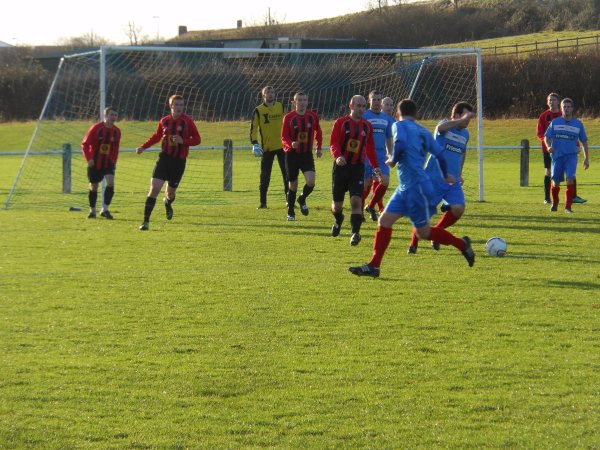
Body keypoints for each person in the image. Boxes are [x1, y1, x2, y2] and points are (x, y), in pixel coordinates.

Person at [349, 99, 475, 278]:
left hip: (415, 187)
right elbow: (439, 154)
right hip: (408, 186)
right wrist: (447, 173)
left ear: (398, 114)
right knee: (385, 221)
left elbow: (399, 144)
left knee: (423, 232)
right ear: (416, 115)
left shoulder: (398, 126)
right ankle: (374, 265)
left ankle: (462, 245)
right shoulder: (424, 132)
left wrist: (393, 159)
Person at [408, 102, 475, 253]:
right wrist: (460, 120)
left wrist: (459, 173)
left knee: (458, 208)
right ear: (456, 115)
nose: (467, 121)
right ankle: (413, 244)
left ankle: (436, 233)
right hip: (433, 178)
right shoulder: (444, 125)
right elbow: (440, 128)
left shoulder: (466, 134)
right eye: (465, 117)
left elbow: (462, 153)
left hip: (452, 181)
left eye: (469, 118)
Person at [136, 95, 201, 230]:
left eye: (181, 105)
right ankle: (145, 222)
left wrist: (183, 141)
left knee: (170, 193)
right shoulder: (164, 121)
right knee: (154, 188)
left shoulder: (187, 122)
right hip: (164, 159)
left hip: (178, 162)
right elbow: (157, 136)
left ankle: (167, 202)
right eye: (176, 105)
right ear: (171, 106)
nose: (179, 108)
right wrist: (143, 147)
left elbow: (197, 139)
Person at [330, 95, 380, 246]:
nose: (361, 109)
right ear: (350, 106)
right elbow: (334, 143)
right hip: (341, 168)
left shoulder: (367, 126)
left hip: (357, 168)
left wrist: (375, 166)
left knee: (356, 201)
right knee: (337, 206)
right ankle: (338, 219)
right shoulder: (341, 123)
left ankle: (355, 233)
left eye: (363, 106)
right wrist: (338, 156)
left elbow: (370, 148)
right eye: (358, 106)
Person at [537, 93, 586, 204]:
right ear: (547, 102)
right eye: (550, 100)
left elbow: (571, 133)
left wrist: (576, 146)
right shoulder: (544, 116)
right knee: (549, 172)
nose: (551, 102)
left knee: (570, 172)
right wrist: (549, 145)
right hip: (549, 150)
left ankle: (573, 197)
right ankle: (547, 198)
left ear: (558, 103)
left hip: (566, 151)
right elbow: (541, 134)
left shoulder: (563, 114)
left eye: (554, 100)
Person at [281, 92, 323, 221]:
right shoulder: (289, 117)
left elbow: (318, 131)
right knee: (293, 184)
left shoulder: (313, 116)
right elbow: (284, 137)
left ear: (307, 102)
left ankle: (302, 198)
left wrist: (319, 147)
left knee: (311, 181)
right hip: (291, 155)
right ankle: (291, 211)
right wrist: (290, 143)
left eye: (304, 100)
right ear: (294, 103)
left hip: (306, 154)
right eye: (299, 100)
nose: (301, 102)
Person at [250, 86, 288, 209]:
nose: (271, 94)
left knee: (287, 174)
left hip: (283, 147)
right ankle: (263, 203)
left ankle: (289, 201)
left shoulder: (280, 106)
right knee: (265, 175)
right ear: (263, 95)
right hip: (267, 148)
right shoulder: (258, 110)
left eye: (272, 92)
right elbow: (253, 128)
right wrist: (255, 143)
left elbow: (287, 124)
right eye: (268, 92)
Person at [81, 106, 121, 219]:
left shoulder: (117, 131)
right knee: (94, 187)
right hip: (95, 162)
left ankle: (105, 209)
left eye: (115, 115)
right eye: (111, 114)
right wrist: (89, 159)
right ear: (106, 115)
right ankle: (92, 211)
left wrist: (114, 161)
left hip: (108, 163)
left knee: (110, 183)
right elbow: (85, 144)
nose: (113, 117)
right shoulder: (96, 128)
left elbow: (116, 148)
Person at [362, 90, 394, 221]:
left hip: (381, 155)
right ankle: (360, 213)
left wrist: (390, 153)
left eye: (378, 99)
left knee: (384, 181)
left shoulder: (386, 119)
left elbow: (389, 138)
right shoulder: (364, 116)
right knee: (365, 185)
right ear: (369, 100)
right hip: (365, 156)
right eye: (374, 99)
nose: (376, 102)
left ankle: (371, 205)